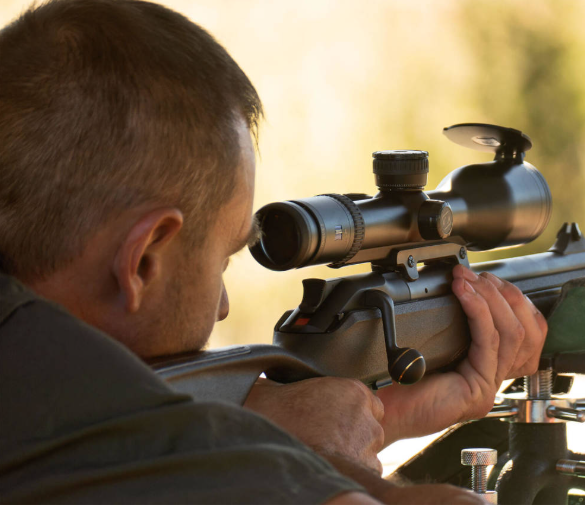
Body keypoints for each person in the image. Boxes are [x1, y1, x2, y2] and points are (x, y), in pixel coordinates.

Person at [0, 0, 547, 503]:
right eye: (223, 259)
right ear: (143, 261)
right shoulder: (114, 436)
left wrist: (383, 416)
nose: (222, 307)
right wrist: (313, 459)